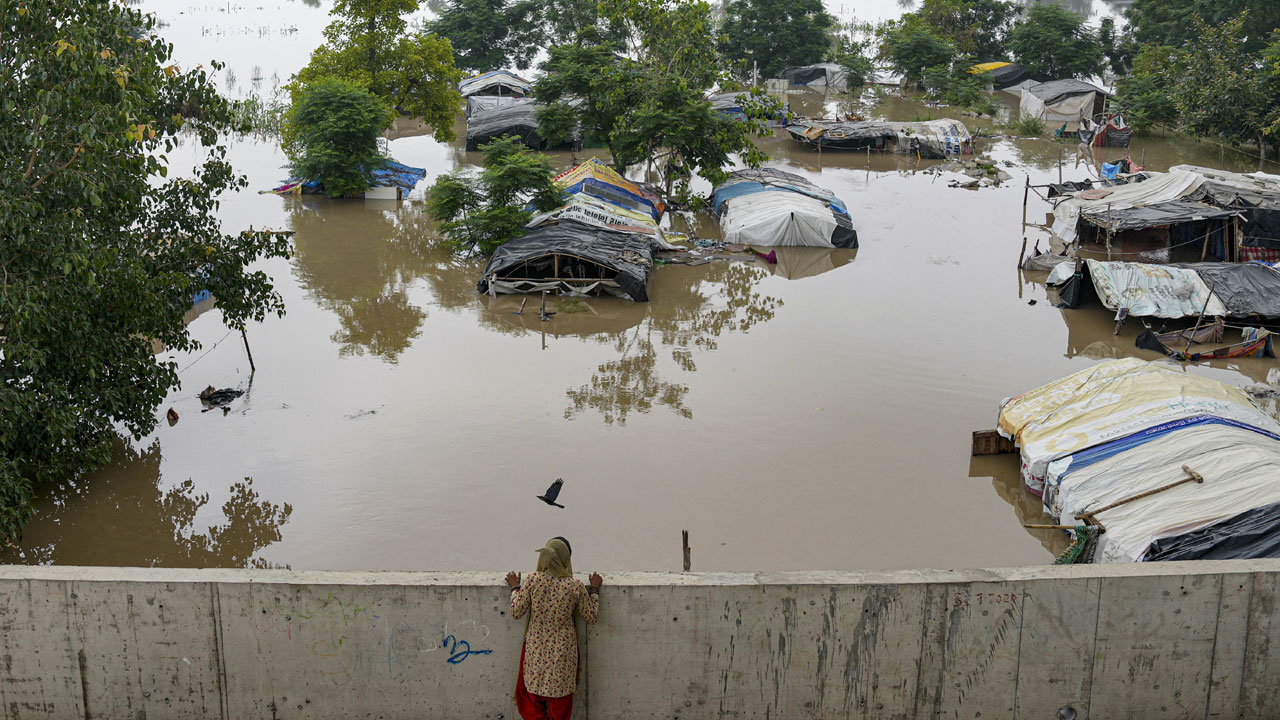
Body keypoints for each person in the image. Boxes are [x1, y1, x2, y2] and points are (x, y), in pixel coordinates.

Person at [506, 537, 601, 720]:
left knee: (533, 703)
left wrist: (514, 587)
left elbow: (517, 611)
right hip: (562, 656)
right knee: (560, 706)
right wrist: (595, 590)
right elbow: (591, 617)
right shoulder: (575, 586)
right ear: (566, 559)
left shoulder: (533, 580)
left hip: (536, 653)